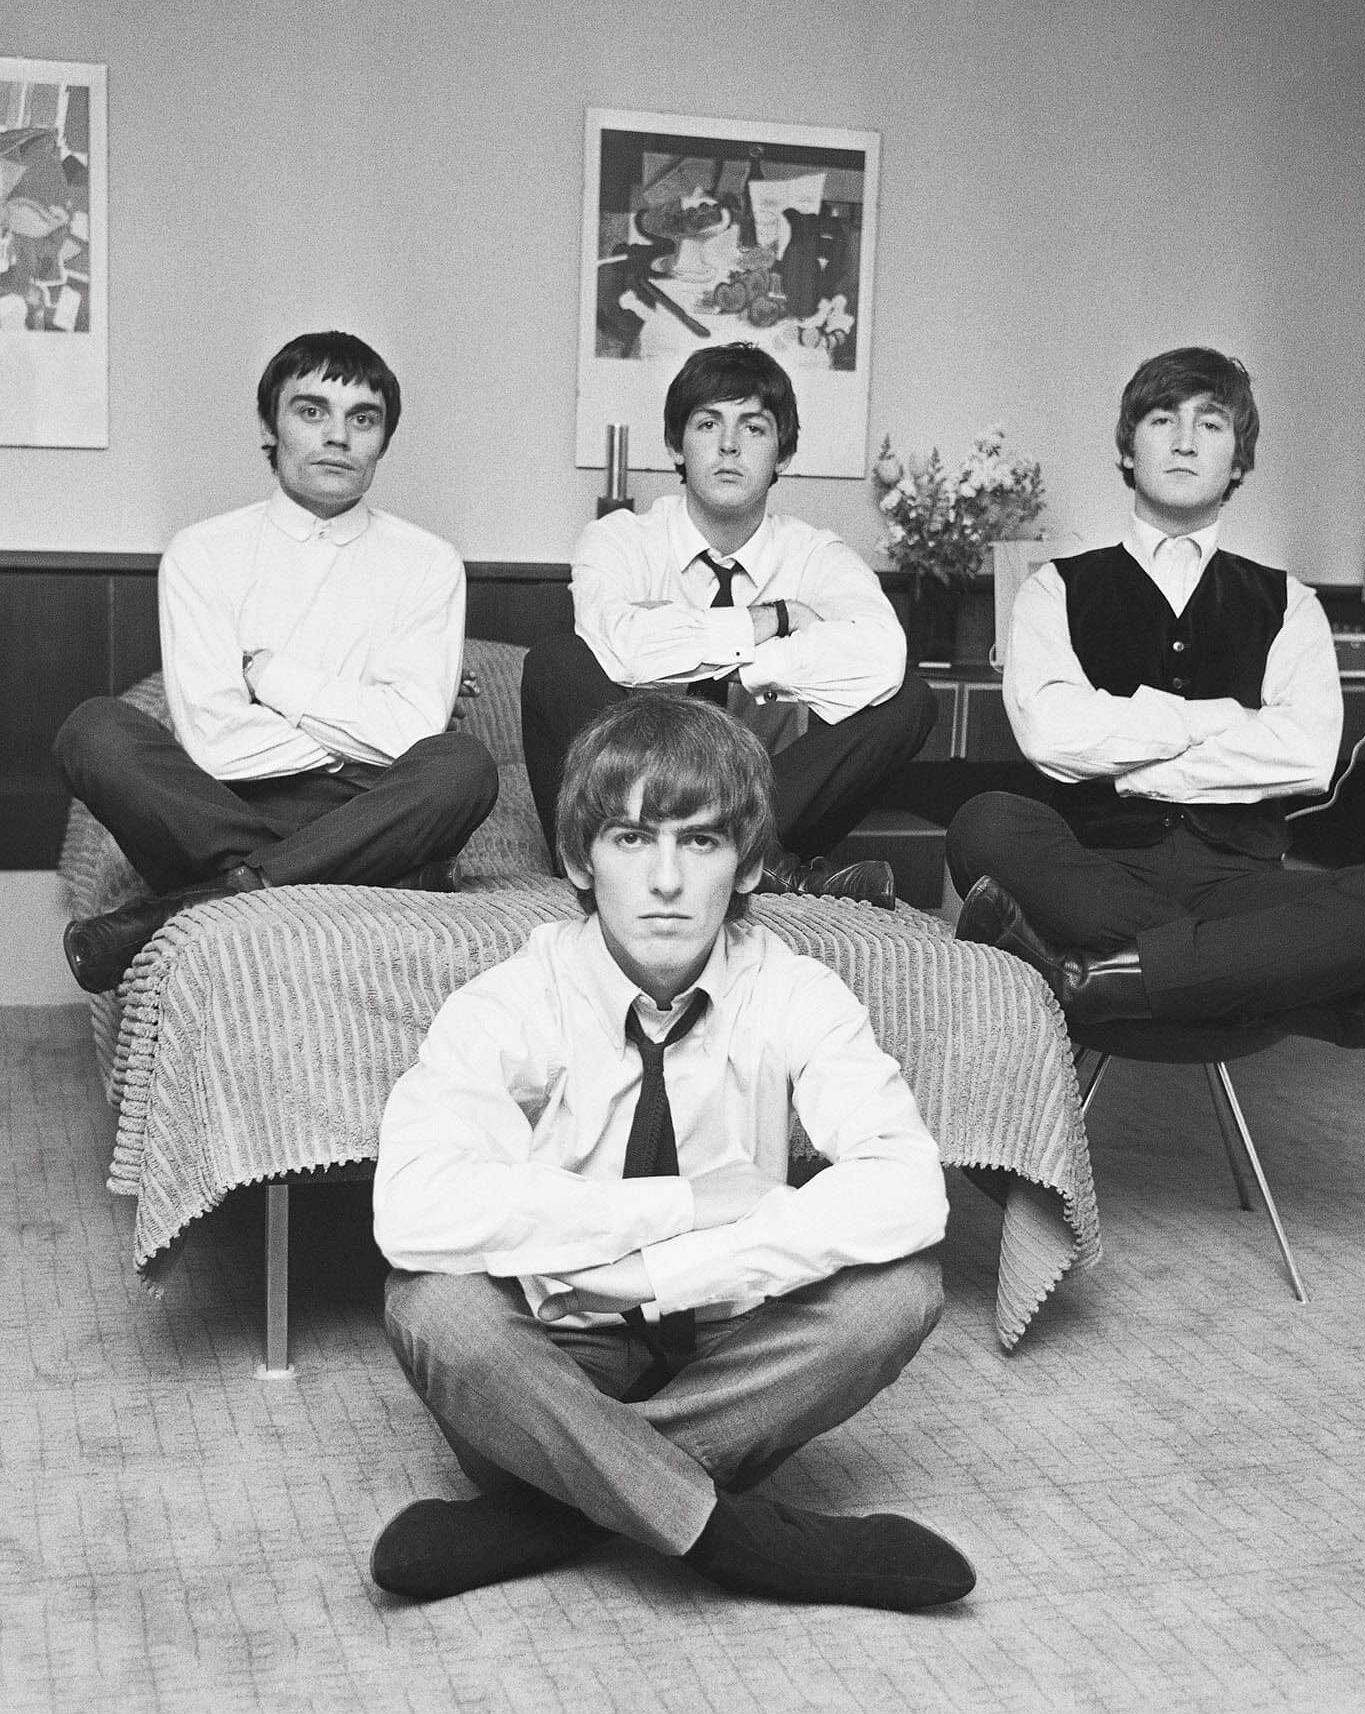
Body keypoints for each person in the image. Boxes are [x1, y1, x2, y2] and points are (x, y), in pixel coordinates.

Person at [369, 692, 973, 1610]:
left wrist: (657, 1275)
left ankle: (554, 1510)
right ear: (581, 858)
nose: (665, 880)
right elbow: (412, 1207)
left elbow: (909, 1190)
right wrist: (682, 1207)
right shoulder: (512, 999)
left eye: (700, 841)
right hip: (559, 1351)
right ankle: (734, 1536)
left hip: (732, 1346)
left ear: (750, 863)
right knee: (434, 1306)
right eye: (630, 839)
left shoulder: (796, 990)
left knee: (898, 1293)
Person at [947, 346, 1365, 1037]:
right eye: (1162, 420)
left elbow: (1305, 755)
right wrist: (1221, 719)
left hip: (1242, 883)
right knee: (985, 823)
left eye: (1210, 425)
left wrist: (1125, 760)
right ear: (1129, 449)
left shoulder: (1290, 602)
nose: (1184, 441)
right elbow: (1054, 738)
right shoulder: (1053, 588)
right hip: (1097, 873)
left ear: (1238, 461)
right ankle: (1285, 986)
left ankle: (1099, 975)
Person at [54, 330, 500, 993]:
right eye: (312, 411)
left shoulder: (429, 561)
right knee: (92, 731)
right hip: (226, 808)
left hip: (372, 806)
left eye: (363, 419)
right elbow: (214, 741)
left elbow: (411, 737)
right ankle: (348, 875)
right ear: (271, 425)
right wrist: (357, 736)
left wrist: (267, 675)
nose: (338, 437)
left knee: (463, 765)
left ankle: (207, 898)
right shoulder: (202, 552)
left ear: (383, 441)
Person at [521, 342, 937, 908]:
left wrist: (731, 662)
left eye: (754, 428)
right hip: (624, 819)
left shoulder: (815, 554)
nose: (729, 445)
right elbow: (617, 650)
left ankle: (746, 850)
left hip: (768, 808)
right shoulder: (619, 539)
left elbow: (881, 655)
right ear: (677, 444)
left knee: (907, 699)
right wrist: (775, 621)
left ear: (783, 454)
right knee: (555, 662)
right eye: (708, 423)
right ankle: (756, 864)